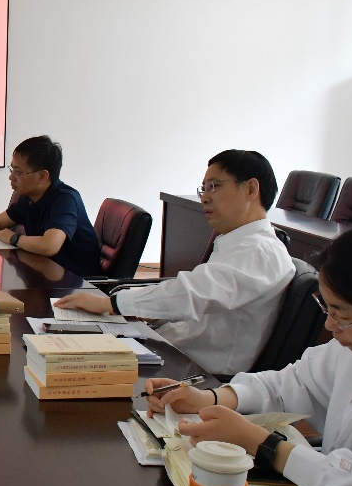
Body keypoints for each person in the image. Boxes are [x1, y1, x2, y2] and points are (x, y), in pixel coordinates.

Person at [144, 222, 352, 486]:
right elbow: (287, 385)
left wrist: (266, 446)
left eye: (343, 317)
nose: (330, 326)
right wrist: (210, 398)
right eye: (327, 309)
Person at [55, 149, 294, 375]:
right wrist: (144, 312)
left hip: (192, 369)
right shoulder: (240, 243)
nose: (205, 198)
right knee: (62, 341)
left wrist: (111, 304)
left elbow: (191, 294)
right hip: (171, 347)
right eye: (203, 189)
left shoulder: (259, 251)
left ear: (251, 188)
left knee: (65, 360)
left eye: (214, 186)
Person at [0, 135, 100, 276]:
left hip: (77, 281)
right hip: (47, 272)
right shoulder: (28, 198)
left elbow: (50, 245)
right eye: (12, 169)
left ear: (42, 176)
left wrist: (13, 238)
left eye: (18, 172)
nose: (11, 177)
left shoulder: (65, 199)